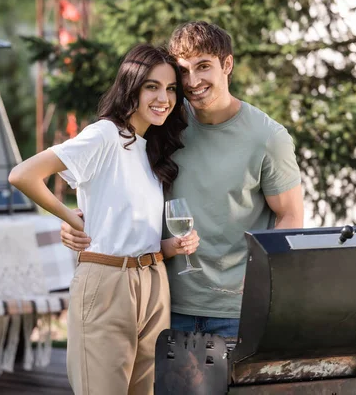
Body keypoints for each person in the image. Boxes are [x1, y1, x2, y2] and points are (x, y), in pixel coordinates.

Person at [59, 21, 304, 338]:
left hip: (237, 309)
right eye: (183, 70)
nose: (192, 81)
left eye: (203, 67)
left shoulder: (268, 137)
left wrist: (262, 275)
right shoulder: (164, 121)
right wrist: (78, 220)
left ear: (227, 65)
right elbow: (118, 179)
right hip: (161, 300)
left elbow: (291, 215)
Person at [8, 44, 200, 395]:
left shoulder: (151, 148)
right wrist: (73, 220)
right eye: (152, 86)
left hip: (154, 280)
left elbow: (124, 224)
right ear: (132, 86)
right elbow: (23, 174)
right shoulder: (105, 135)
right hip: (108, 281)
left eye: (171, 88)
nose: (164, 98)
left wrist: (169, 247)